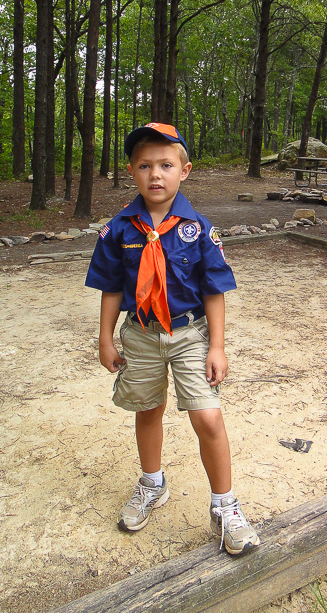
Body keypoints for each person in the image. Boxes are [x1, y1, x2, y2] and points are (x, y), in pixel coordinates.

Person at [85, 122, 260, 555]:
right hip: (141, 336)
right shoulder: (119, 229)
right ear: (132, 171)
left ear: (185, 171)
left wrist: (216, 345)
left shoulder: (198, 228)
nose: (155, 174)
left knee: (208, 417)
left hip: (189, 333)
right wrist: (105, 338)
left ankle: (225, 506)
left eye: (166, 164)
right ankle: (152, 484)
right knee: (148, 409)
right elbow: (110, 287)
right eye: (145, 165)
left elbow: (213, 289)